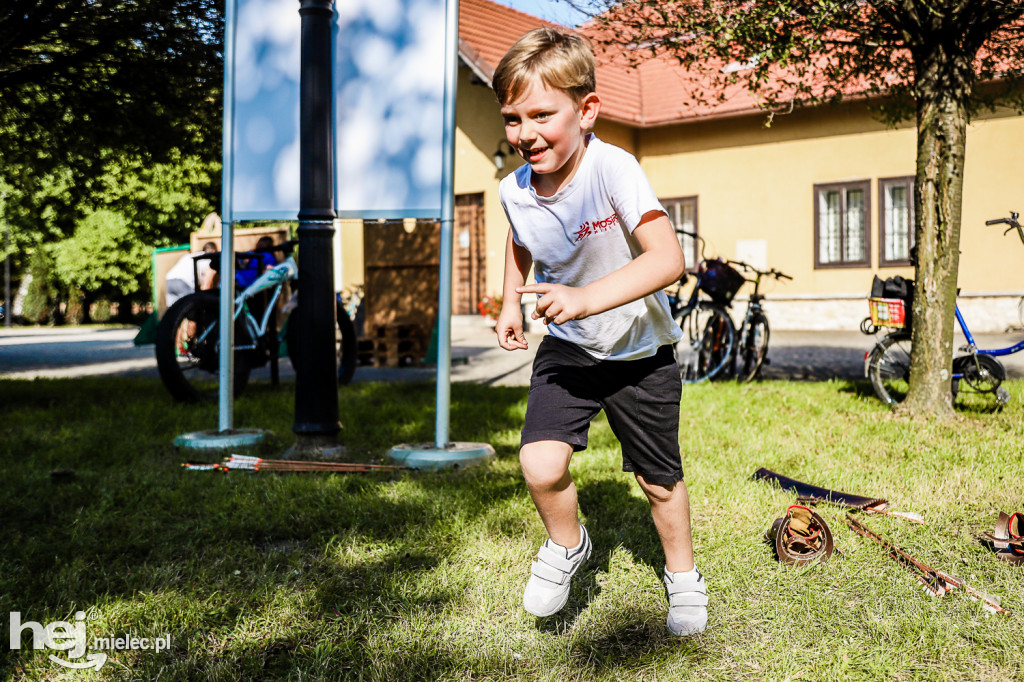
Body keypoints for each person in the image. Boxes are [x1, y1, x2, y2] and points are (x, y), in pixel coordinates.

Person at [492, 27, 707, 636]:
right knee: (538, 464)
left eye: (541, 114)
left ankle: (683, 576)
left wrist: (584, 297)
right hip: (570, 350)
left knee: (658, 483)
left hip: (640, 350)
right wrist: (512, 302)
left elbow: (667, 259)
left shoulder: (614, 167)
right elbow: (519, 239)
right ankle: (568, 545)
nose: (524, 133)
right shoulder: (514, 189)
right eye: (512, 118)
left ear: (586, 111)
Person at [165, 241, 217, 308]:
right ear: (214, 251)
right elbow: (206, 285)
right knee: (193, 308)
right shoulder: (208, 260)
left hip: (169, 281)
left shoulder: (192, 255)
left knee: (173, 311)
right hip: (183, 282)